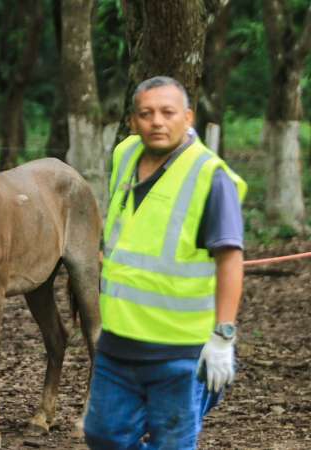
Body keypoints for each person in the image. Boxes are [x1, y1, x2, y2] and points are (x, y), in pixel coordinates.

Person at [83, 76, 246, 449]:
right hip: (118, 343)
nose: (157, 121)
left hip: (179, 351)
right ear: (133, 122)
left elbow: (230, 259)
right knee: (103, 435)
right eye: (146, 113)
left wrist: (223, 336)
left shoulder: (211, 176)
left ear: (188, 117)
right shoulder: (125, 155)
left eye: (167, 112)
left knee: (171, 442)